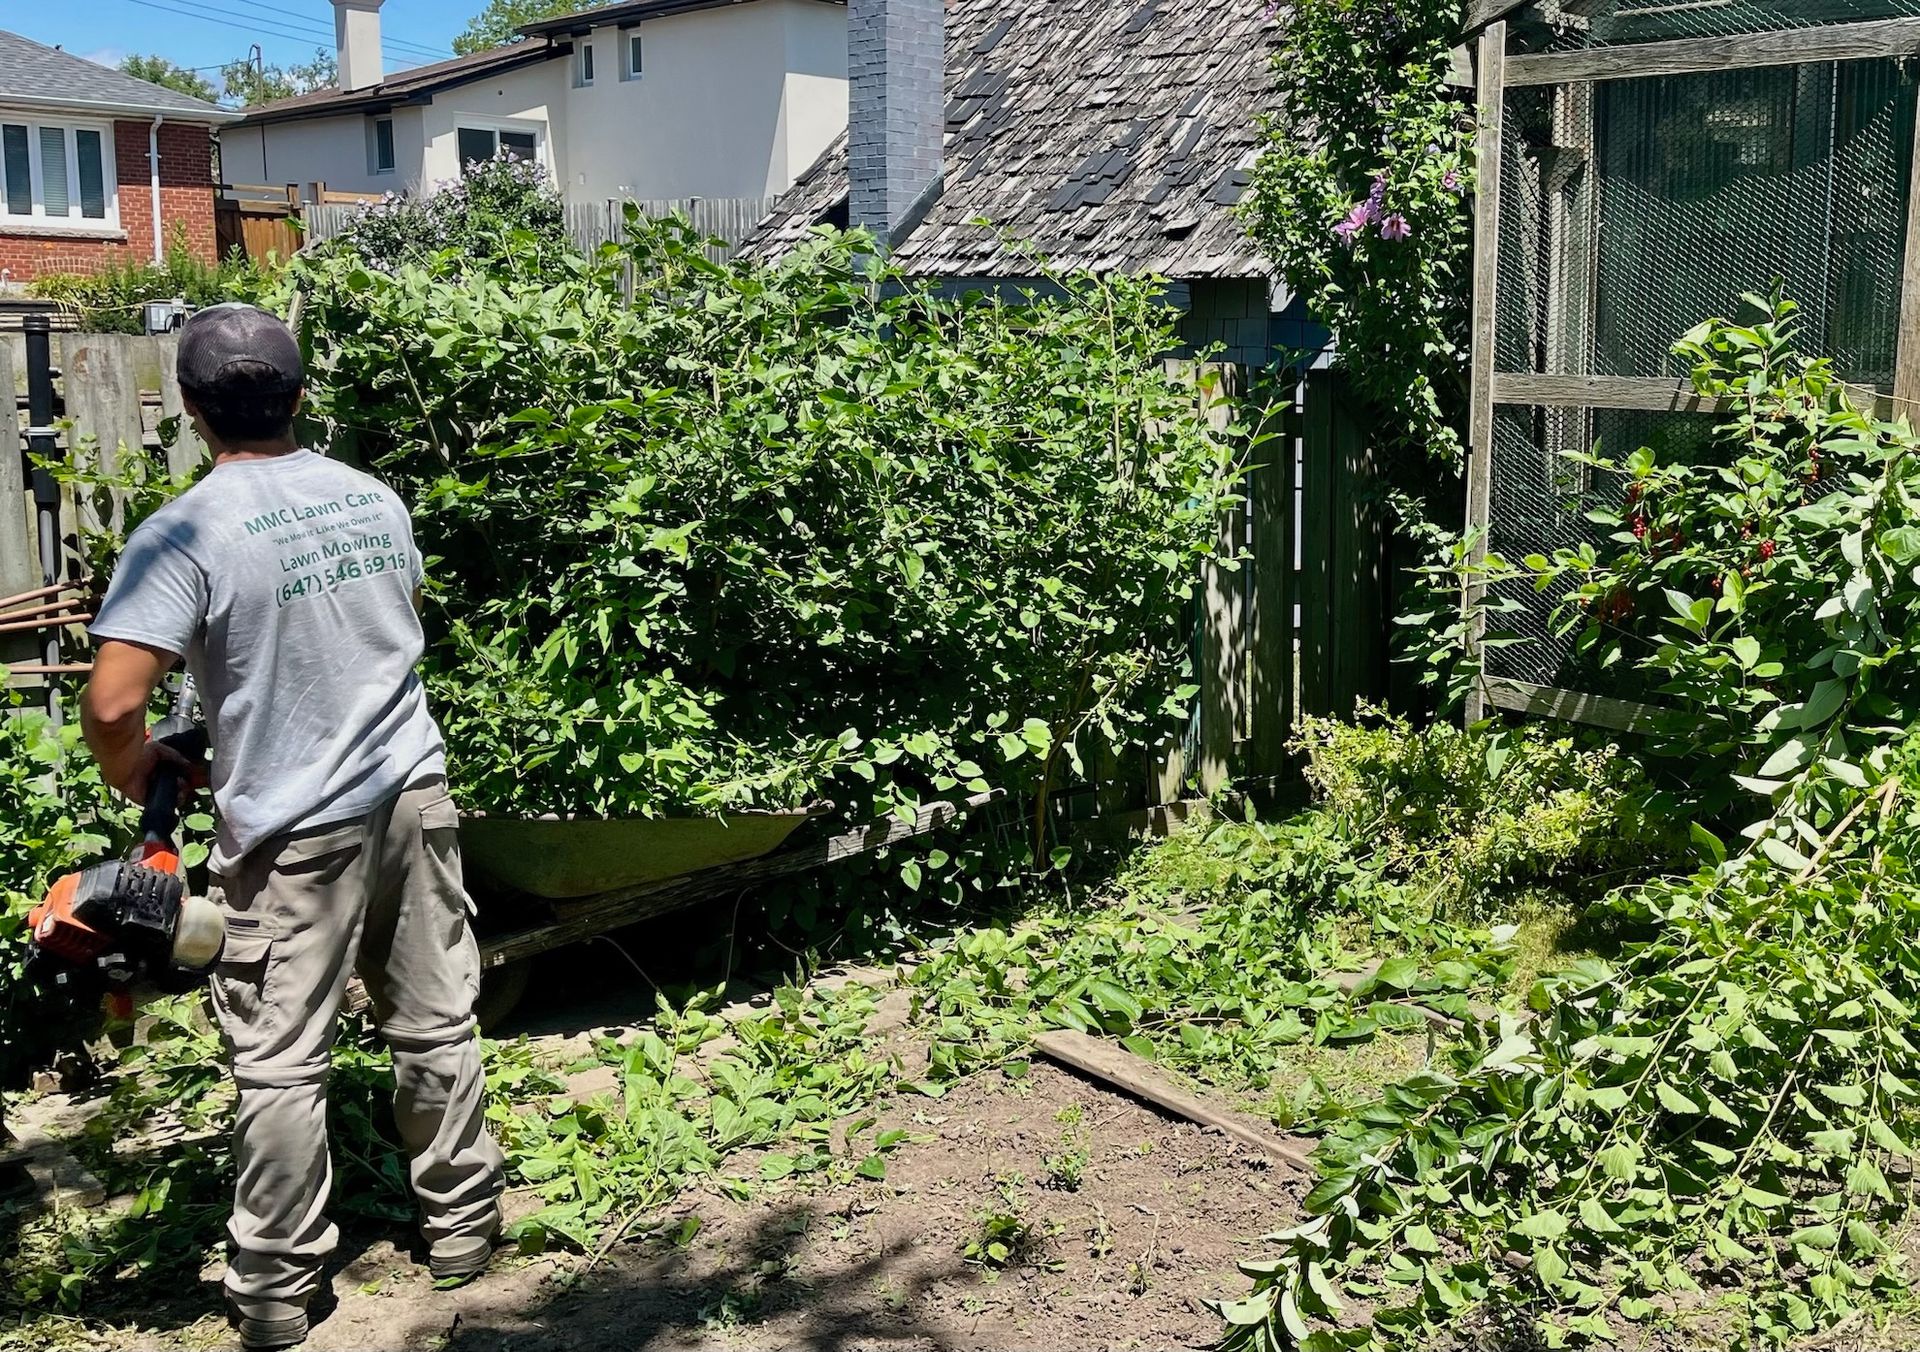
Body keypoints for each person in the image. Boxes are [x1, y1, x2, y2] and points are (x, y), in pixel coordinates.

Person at [82, 303, 504, 1351]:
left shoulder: (184, 530)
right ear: (298, 394)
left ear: (191, 409)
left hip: (292, 830)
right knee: (436, 1012)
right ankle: (463, 1224)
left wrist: (143, 769)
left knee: (281, 1059)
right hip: (410, 793)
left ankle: (275, 1288)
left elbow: (110, 703)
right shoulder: (371, 496)